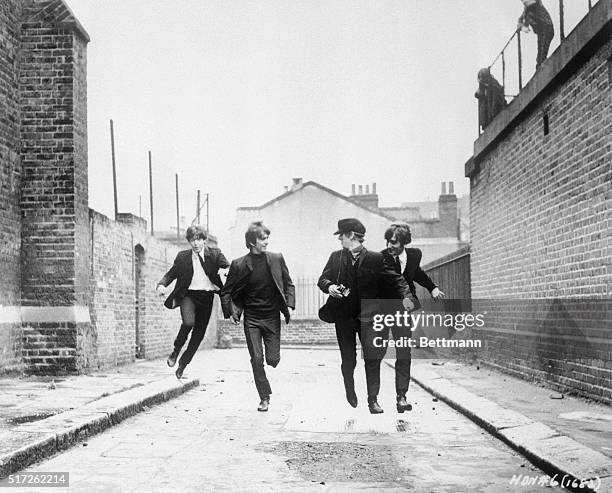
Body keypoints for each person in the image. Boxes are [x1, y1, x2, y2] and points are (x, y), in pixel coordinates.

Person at [317, 218, 414, 414]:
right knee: (349, 359)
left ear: (351, 235)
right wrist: (331, 287)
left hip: (368, 317)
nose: (340, 240)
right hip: (344, 317)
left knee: (372, 357)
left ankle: (372, 399)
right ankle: (350, 387)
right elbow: (322, 279)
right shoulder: (336, 257)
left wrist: (407, 298)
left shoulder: (375, 258)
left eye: (341, 236)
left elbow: (396, 279)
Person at [220, 221, 295, 412]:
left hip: (271, 317)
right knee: (256, 358)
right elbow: (226, 292)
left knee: (272, 360)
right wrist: (230, 312)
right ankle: (264, 397)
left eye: (267, 238)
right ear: (252, 242)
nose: (267, 242)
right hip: (252, 318)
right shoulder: (239, 264)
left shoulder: (276, 258)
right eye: (263, 239)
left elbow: (289, 284)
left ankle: (272, 363)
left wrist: (290, 304)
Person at [381, 222, 445, 412]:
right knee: (377, 352)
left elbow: (416, 272)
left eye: (393, 242)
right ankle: (372, 396)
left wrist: (432, 288)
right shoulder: (380, 258)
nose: (389, 246)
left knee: (403, 352)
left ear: (403, 242)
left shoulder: (414, 255)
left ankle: (401, 396)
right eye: (387, 242)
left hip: (404, 310)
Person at [157, 225, 229, 379]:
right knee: (188, 323)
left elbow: (227, 267)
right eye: (192, 240)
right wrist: (162, 284)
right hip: (188, 295)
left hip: (207, 297)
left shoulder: (215, 254)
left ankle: (183, 363)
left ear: (204, 240)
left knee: (198, 335)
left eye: (199, 239)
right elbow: (171, 274)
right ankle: (176, 350)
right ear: (189, 241)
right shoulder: (183, 257)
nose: (196, 243)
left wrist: (225, 271)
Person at [517, 0, 554, 69]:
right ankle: (540, 67)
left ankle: (541, 67)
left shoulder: (535, 4)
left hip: (546, 28)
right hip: (541, 32)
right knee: (540, 57)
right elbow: (523, 25)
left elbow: (533, 3)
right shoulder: (526, 12)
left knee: (541, 57)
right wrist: (521, 25)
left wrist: (522, 25)